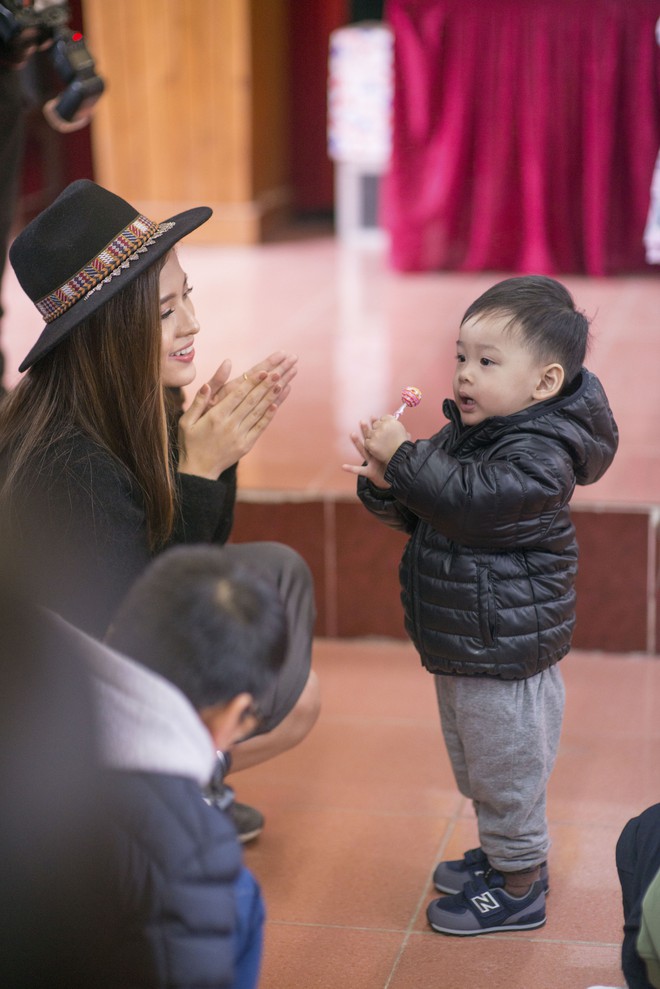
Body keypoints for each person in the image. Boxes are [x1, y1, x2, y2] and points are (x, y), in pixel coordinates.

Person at [0, 178, 320, 839]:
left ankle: (179, 781)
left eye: (187, 297)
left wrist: (212, 459)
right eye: (168, 310)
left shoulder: (139, 398)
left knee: (279, 571)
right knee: (299, 700)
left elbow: (193, 553)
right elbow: (136, 623)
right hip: (63, 709)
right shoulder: (66, 462)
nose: (193, 323)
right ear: (112, 329)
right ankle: (146, 795)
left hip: (115, 666)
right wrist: (197, 471)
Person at [343, 275, 619, 935]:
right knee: (478, 761)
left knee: (508, 767)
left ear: (544, 383)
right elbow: (429, 507)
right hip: (470, 641)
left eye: (487, 362)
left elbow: (474, 504)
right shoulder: (469, 430)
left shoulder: (541, 455)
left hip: (507, 652)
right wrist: (387, 482)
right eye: (462, 356)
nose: (465, 374)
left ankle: (520, 883)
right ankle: (502, 858)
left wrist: (407, 460)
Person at [52, 544, 288, 988]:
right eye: (246, 719)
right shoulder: (196, 849)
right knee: (241, 898)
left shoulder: (30, 659)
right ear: (232, 712)